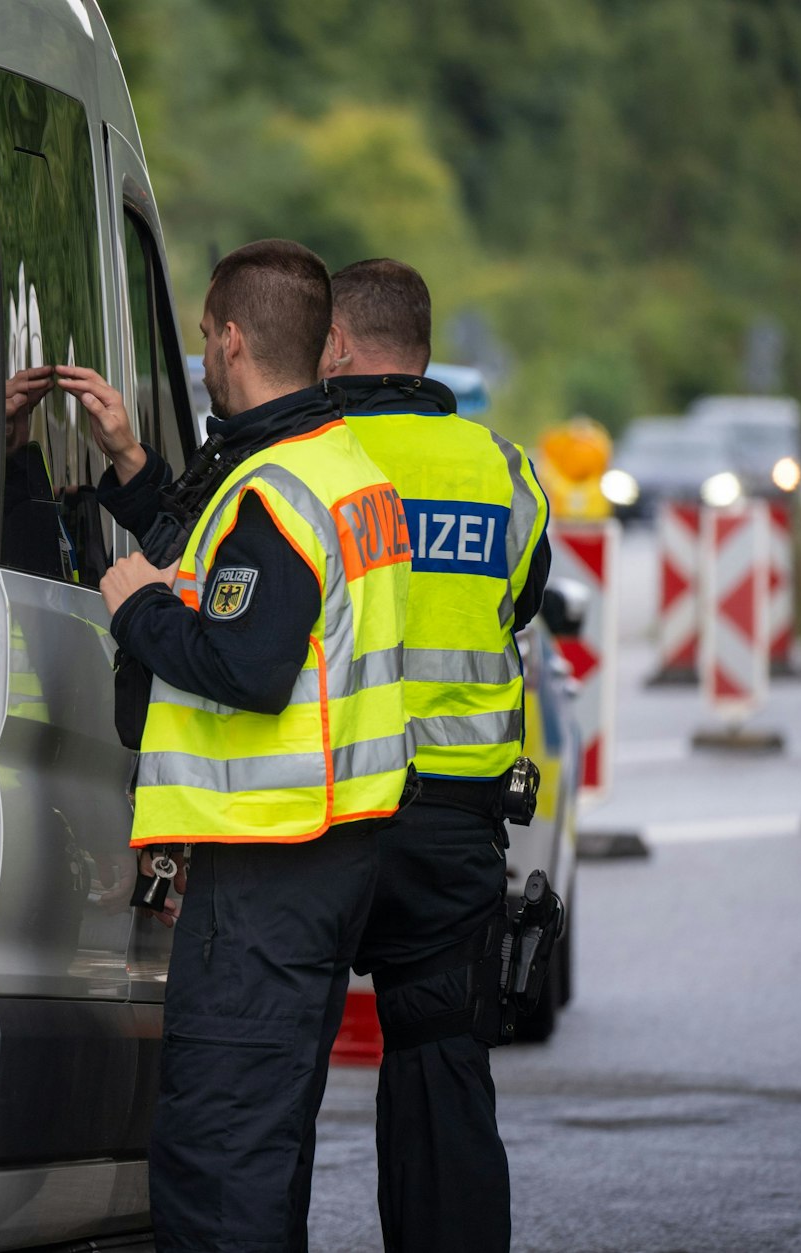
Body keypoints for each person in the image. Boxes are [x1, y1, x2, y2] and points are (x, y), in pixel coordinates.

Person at [56, 238, 413, 1253]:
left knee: (219, 1155)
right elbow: (223, 575)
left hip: (268, 861)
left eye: (208, 334)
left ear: (230, 340)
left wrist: (135, 611)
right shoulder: (337, 466)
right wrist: (132, 467)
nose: (205, 352)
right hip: (326, 852)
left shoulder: (273, 491)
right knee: (263, 1143)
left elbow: (247, 662)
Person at [324, 258, 552, 1253]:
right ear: (421, 349)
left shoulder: (307, 458)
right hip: (454, 825)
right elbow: (521, 599)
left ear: (335, 343)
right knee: (443, 1071)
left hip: (319, 812)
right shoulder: (501, 468)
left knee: (269, 1079)